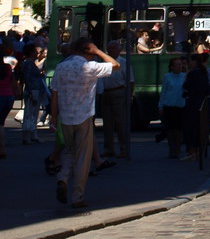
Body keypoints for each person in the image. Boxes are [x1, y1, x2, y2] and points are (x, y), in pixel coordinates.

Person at [50, 37, 122, 209]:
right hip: (84, 116)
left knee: (69, 150)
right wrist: (97, 51)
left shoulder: (61, 67)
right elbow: (115, 65)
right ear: (87, 51)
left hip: (65, 116)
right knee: (83, 156)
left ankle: (62, 177)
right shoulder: (90, 67)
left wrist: (54, 116)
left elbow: (54, 93)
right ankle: (78, 196)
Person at [99, 41, 134, 158]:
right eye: (109, 48)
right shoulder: (104, 62)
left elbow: (130, 81)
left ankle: (124, 149)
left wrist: (129, 96)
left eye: (113, 48)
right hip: (106, 93)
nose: (110, 50)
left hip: (119, 92)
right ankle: (109, 148)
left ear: (119, 50)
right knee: (107, 124)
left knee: (121, 123)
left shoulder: (124, 62)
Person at [181, 53, 210, 161]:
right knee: (199, 128)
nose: (189, 63)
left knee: (191, 128)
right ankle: (198, 152)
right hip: (202, 103)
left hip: (192, 103)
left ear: (195, 61)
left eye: (191, 61)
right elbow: (207, 88)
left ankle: (191, 152)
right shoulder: (204, 72)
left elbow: (186, 86)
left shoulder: (193, 73)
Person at [157, 57, 186, 158]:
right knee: (170, 129)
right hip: (169, 106)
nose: (179, 66)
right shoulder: (167, 77)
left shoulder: (184, 76)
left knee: (179, 129)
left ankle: (177, 149)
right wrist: (160, 105)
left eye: (180, 64)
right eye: (177, 64)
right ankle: (171, 148)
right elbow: (164, 91)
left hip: (181, 106)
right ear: (172, 67)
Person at [20, 44, 47, 144]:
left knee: (31, 112)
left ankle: (30, 134)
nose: (37, 53)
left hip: (33, 89)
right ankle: (29, 135)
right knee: (31, 112)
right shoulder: (29, 63)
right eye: (35, 51)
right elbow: (27, 78)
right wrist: (31, 92)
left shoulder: (28, 63)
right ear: (31, 52)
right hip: (33, 90)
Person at [0, 58, 14, 159]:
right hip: (8, 97)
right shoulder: (7, 67)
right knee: (1, 123)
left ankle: (2, 149)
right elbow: (12, 80)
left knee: (0, 125)